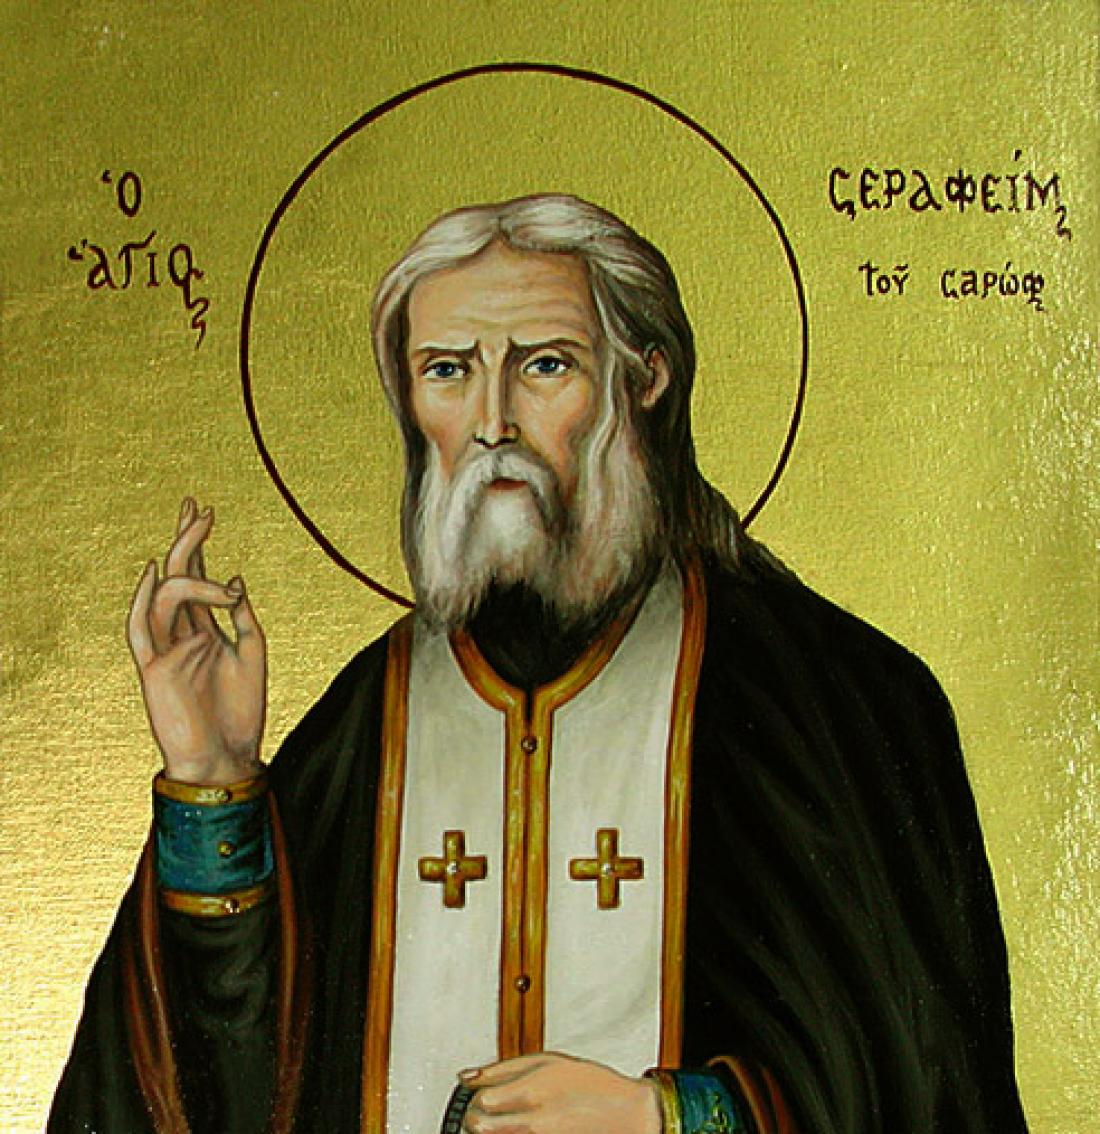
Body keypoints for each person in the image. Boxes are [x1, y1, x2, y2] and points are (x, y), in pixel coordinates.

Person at [51, 195, 1028, 1134]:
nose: (492, 423)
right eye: (447, 371)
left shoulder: (831, 702)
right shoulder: (370, 719)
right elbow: (224, 1090)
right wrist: (214, 779)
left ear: (644, 380)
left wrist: (664, 1119)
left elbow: (924, 1082)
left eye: (545, 365)